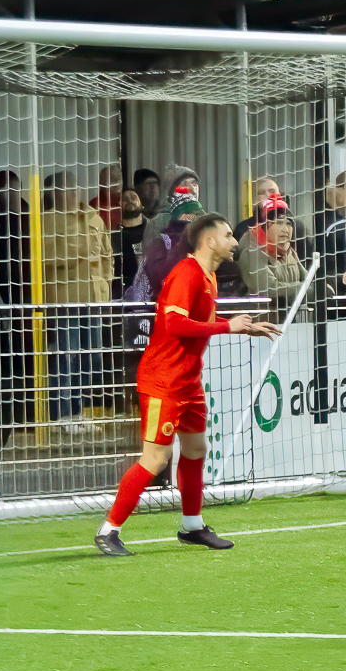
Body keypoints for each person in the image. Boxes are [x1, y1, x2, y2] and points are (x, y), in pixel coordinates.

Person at [93, 213, 282, 555]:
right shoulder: (187, 272)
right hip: (163, 381)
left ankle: (193, 526)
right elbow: (175, 324)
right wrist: (227, 327)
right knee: (155, 459)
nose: (234, 241)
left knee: (196, 450)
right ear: (209, 240)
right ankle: (109, 531)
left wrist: (243, 327)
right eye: (228, 235)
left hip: (188, 381)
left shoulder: (207, 274)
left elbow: (200, 320)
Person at [42, 173, 112, 436]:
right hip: (65, 298)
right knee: (65, 356)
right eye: (66, 188)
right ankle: (61, 415)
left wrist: (106, 281)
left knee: (91, 356)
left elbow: (107, 254)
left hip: (93, 298)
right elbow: (47, 256)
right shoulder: (47, 219)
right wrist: (79, 250)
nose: (73, 192)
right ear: (54, 193)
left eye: (75, 186)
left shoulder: (94, 217)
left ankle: (79, 412)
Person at [238, 210, 307, 306]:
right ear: (265, 226)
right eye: (279, 223)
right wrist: (305, 288)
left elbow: (308, 278)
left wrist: (316, 287)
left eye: (288, 223)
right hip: (260, 312)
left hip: (289, 311)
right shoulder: (251, 249)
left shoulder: (287, 249)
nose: (285, 230)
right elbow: (269, 289)